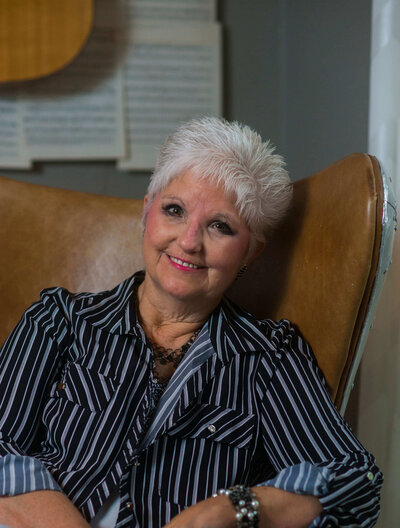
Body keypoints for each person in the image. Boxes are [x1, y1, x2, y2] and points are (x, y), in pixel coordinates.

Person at [0, 117, 382, 528]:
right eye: (174, 210)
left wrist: (232, 508)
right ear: (148, 211)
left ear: (251, 252)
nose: (188, 241)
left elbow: (353, 481)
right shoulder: (60, 320)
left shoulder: (270, 357)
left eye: (221, 226)